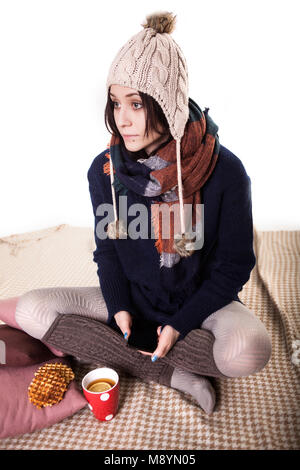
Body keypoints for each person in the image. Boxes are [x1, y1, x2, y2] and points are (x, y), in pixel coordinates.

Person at [15, 11, 272, 415]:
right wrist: (118, 306)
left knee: (250, 349)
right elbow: (108, 253)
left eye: (137, 103)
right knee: (31, 309)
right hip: (134, 300)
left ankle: (156, 348)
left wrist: (179, 323)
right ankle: (163, 370)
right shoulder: (106, 169)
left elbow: (233, 267)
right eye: (116, 103)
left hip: (201, 306)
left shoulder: (225, 172)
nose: (123, 118)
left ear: (168, 105)